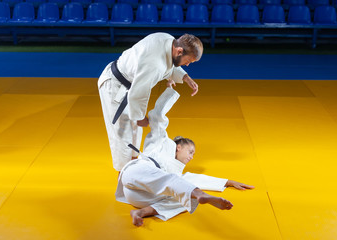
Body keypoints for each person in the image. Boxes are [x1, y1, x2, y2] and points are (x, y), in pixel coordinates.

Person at [115, 87, 255, 227]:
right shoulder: (163, 143)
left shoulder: (176, 173)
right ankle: (200, 194)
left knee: (186, 200)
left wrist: (228, 182)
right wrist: (169, 91)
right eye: (190, 151)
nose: (192, 157)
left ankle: (141, 213)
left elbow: (192, 180)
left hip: (141, 198)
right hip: (136, 176)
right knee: (177, 185)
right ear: (179, 147)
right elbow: (158, 119)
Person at [98, 32, 203, 171]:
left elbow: (170, 63)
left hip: (129, 85)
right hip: (115, 88)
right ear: (179, 51)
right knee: (122, 136)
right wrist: (140, 117)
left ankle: (134, 168)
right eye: (188, 61)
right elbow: (139, 92)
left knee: (135, 134)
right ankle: (123, 181)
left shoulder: (169, 40)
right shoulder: (154, 64)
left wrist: (185, 77)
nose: (188, 64)